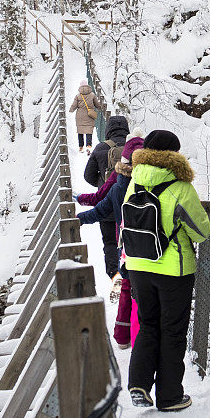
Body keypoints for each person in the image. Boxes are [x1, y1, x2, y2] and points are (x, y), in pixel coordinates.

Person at [124, 130, 210, 412]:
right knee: (172, 332)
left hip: (138, 265)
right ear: (175, 154)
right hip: (174, 271)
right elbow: (201, 232)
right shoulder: (180, 187)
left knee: (148, 325)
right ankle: (170, 396)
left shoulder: (134, 181)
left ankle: (138, 384)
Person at [76, 133, 145, 350]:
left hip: (125, 247)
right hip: (152, 249)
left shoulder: (117, 186)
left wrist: (78, 219)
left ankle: (123, 337)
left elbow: (99, 210)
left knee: (127, 287)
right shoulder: (153, 186)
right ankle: (140, 336)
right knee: (143, 293)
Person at [84, 116, 131, 280]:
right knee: (131, 239)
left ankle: (114, 274)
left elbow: (88, 176)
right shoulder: (136, 148)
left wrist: (103, 185)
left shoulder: (100, 148)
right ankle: (130, 276)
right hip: (132, 204)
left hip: (108, 205)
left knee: (110, 241)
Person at [68, 79, 98, 154]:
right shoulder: (92, 95)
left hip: (80, 116)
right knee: (89, 131)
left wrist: (70, 110)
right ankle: (88, 146)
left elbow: (74, 105)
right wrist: (100, 107)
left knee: (80, 131)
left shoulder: (78, 96)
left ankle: (81, 147)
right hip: (89, 115)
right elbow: (97, 104)